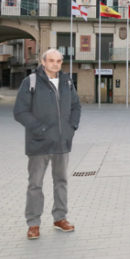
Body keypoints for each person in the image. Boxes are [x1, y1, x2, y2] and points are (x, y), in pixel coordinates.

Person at [13, 48, 81, 240]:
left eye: (59, 61)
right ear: (43, 62)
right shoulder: (31, 82)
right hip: (38, 144)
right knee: (35, 184)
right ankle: (33, 223)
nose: (55, 64)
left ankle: (60, 218)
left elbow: (76, 106)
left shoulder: (67, 82)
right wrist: (41, 130)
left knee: (61, 182)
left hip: (61, 143)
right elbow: (20, 111)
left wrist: (72, 127)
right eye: (51, 60)